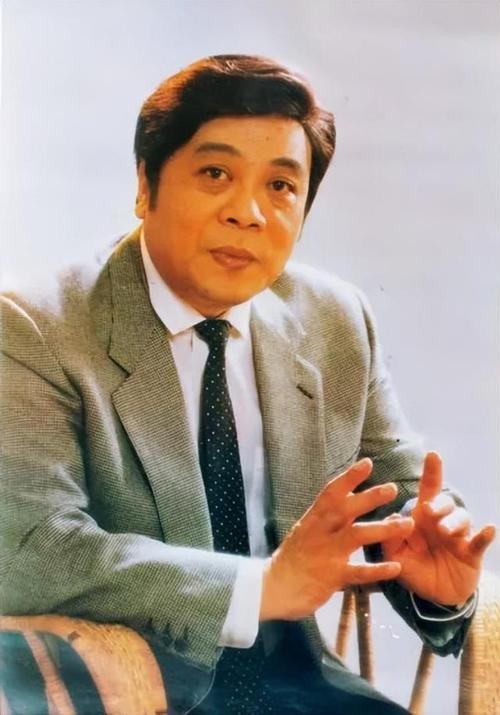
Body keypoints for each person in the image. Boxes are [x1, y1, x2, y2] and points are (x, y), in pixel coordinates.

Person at [0, 54, 495, 714]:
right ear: (146, 184)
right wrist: (261, 587)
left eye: (281, 186)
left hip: (297, 686)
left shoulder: (335, 318)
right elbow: (32, 550)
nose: (248, 213)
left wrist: (433, 579)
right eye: (215, 174)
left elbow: (396, 499)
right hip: (128, 689)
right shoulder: (35, 326)